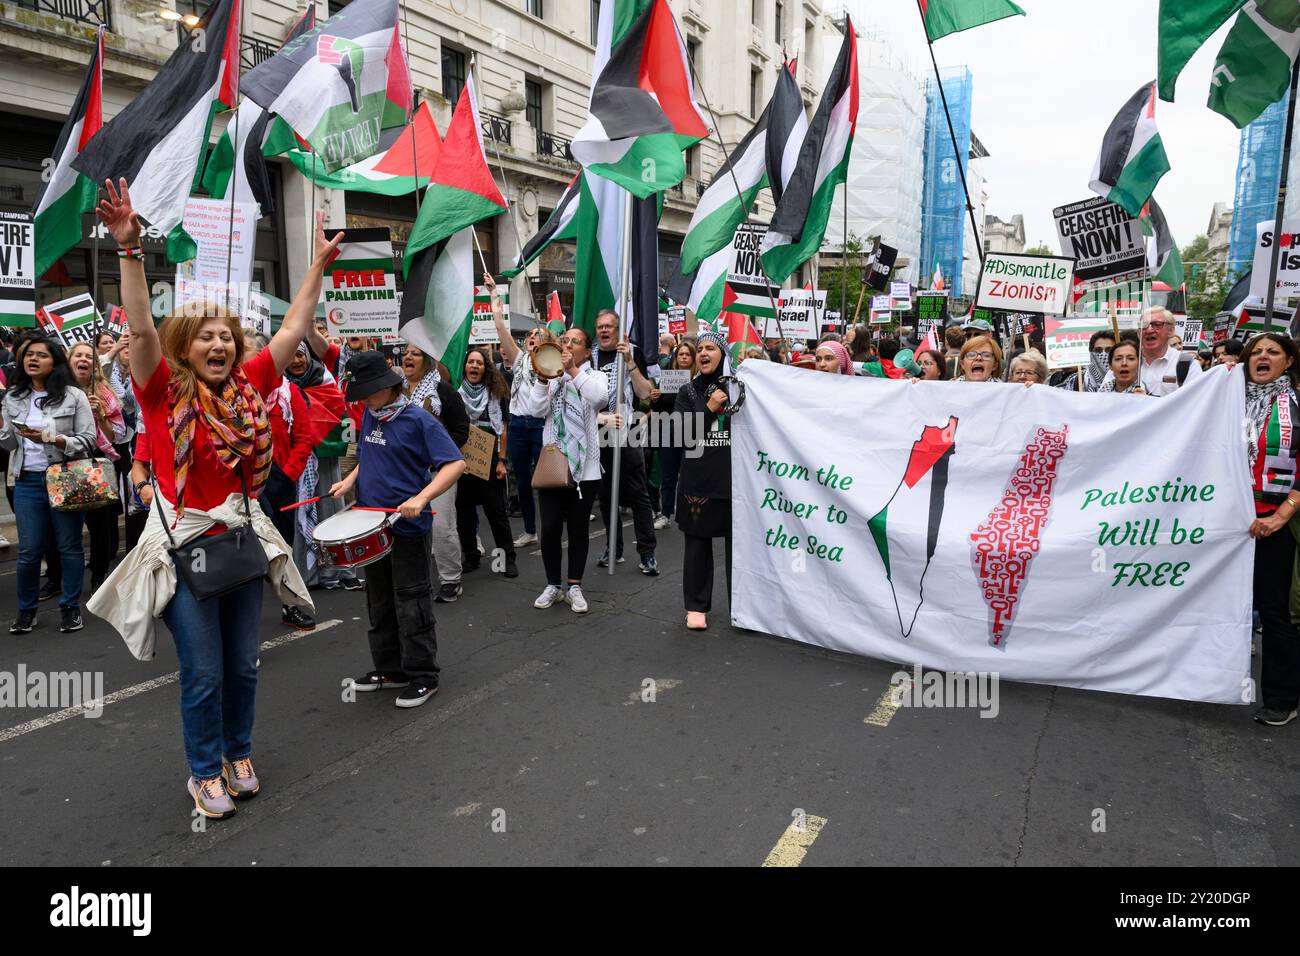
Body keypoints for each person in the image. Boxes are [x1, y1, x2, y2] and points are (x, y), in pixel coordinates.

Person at [87, 180, 334, 820]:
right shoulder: (161, 390)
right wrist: (129, 250)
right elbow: (140, 325)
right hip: (183, 546)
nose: (219, 344)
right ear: (184, 349)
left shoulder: (253, 381)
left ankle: (238, 752)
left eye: (226, 336)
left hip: (241, 543)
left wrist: (315, 267)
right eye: (205, 338)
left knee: (244, 667)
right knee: (202, 673)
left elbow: (295, 327)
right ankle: (203, 771)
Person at [330, 350, 466, 708]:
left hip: (405, 527)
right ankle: (389, 670)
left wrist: (421, 498)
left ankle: (423, 675)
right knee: (379, 601)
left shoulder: (419, 421)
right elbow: (369, 455)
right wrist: (350, 480)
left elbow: (455, 464)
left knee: (412, 601)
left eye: (368, 391)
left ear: (388, 387)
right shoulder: (371, 414)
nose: (363, 399)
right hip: (369, 524)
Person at [2, 335, 97, 634]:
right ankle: (26, 611)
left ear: (54, 361)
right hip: (27, 481)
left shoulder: (74, 396)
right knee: (29, 551)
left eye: (41, 355)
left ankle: (70, 607)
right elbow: (7, 445)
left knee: (69, 546)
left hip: (64, 476)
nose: (32, 359)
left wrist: (57, 440)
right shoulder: (13, 397)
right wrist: (4, 429)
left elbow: (89, 440)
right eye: (28, 354)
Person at [518, 327, 607, 613]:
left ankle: (575, 586)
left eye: (575, 342)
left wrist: (572, 371)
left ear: (586, 351)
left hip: (586, 469)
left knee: (579, 529)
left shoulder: (595, 376)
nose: (567, 345)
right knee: (551, 528)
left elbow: (599, 399)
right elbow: (534, 409)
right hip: (553, 466)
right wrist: (544, 378)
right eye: (564, 340)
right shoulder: (552, 379)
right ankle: (553, 585)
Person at [1242, 332, 1300, 726]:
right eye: (1256, 352)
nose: (1263, 357)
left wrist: (1281, 514)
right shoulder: (1228, 402)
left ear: (1289, 361)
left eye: (1272, 352)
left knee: (1275, 611)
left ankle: (1282, 698)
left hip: (1275, 525)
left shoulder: (1296, 406)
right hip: (1232, 524)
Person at [485, 275, 551, 550]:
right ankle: (530, 530)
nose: (532, 338)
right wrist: (494, 296)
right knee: (523, 480)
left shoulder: (552, 362)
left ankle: (550, 527)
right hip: (519, 426)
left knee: (546, 481)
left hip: (541, 426)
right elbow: (500, 328)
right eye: (530, 336)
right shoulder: (519, 359)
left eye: (538, 335)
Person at [590, 309, 658, 574]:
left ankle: (647, 553)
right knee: (606, 495)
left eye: (609, 326)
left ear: (618, 331)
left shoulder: (632, 352)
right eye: (600, 326)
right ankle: (613, 548)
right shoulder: (590, 356)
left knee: (638, 495)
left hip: (626, 432)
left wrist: (630, 361)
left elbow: (644, 394)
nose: (604, 331)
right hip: (598, 432)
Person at [675, 331, 734, 631]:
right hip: (698, 483)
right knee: (697, 546)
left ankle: (743, 606)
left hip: (735, 483)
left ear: (723, 354)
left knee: (739, 548)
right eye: (700, 349)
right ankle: (696, 606)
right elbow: (681, 435)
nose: (703, 353)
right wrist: (709, 407)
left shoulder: (740, 389)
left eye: (710, 348)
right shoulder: (688, 392)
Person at [402, 345, 469, 602]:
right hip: (406, 471)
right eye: (406, 353)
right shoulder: (394, 391)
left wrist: (435, 452)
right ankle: (411, 578)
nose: (408, 357)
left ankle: (451, 580)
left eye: (416, 354)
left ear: (428, 362)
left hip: (439, 470)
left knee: (441, 526)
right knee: (405, 525)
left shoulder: (443, 391)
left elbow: (462, 430)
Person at [68, 341, 130, 591]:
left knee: (100, 524)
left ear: (96, 364)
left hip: (97, 462)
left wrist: (100, 415)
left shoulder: (104, 393)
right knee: (66, 525)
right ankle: (58, 575)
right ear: (69, 360)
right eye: (78, 355)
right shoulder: (57, 391)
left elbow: (115, 435)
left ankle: (99, 572)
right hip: (66, 462)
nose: (84, 360)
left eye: (89, 356)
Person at [456, 347, 518, 578]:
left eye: (479, 363)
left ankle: (505, 560)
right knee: (464, 515)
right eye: (470, 362)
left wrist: (502, 461)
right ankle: (471, 557)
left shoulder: (495, 393)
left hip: (490, 460)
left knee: (496, 513)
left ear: (485, 368)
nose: (474, 366)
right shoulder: (456, 394)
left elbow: (503, 429)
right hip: (462, 463)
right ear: (465, 367)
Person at [1124, 307, 1201, 396]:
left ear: (1171, 331)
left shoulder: (1188, 365)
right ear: (1138, 333)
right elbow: (1107, 397)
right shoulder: (1122, 362)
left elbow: (1196, 401)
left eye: (1157, 325)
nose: (1149, 330)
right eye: (1144, 325)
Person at [1049, 329, 1116, 391]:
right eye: (1098, 350)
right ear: (1091, 352)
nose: (1103, 354)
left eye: (1109, 350)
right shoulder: (1077, 380)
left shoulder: (1123, 379)